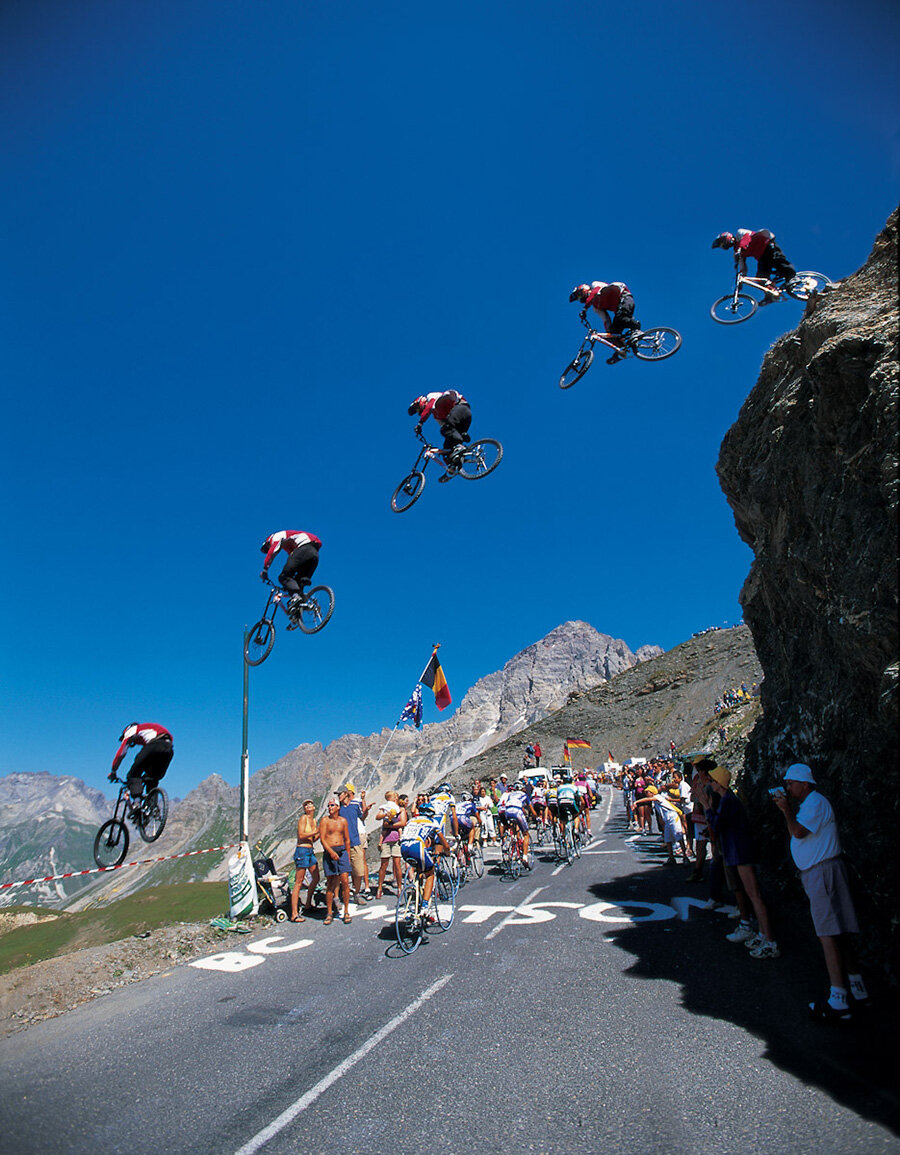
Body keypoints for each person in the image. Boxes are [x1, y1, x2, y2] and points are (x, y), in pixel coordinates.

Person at [772, 763, 871, 1021]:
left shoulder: (814, 803)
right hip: (824, 871)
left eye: (792, 783)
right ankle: (857, 989)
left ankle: (838, 999)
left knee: (828, 933)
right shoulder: (811, 805)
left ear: (806, 784)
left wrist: (785, 811)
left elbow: (797, 832)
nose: (789, 788)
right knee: (839, 932)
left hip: (822, 872)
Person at [700, 766, 780, 959]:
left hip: (740, 851)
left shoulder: (728, 802)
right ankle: (762, 934)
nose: (710, 784)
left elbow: (718, 824)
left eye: (712, 781)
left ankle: (769, 939)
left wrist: (707, 807)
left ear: (719, 783)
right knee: (751, 894)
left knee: (754, 895)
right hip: (737, 850)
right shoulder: (729, 800)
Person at [711, 229, 797, 299]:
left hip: (767, 245)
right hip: (762, 257)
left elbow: (747, 237)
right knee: (761, 278)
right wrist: (740, 278)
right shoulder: (737, 252)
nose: (723, 246)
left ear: (727, 238)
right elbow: (742, 267)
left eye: (722, 243)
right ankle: (770, 295)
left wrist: (741, 248)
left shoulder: (739, 233)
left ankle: (791, 278)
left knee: (778, 261)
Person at [399, 803, 452, 912]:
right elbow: (443, 842)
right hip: (416, 846)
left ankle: (417, 893)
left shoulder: (412, 820)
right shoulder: (433, 822)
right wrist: (447, 852)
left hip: (404, 847)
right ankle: (425, 906)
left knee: (420, 869)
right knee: (430, 872)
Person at [568, 281, 639, 363]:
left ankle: (636, 328)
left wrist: (585, 309)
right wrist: (610, 335)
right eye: (579, 297)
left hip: (624, 298)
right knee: (613, 333)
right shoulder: (596, 308)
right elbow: (606, 320)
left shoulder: (595, 285)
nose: (581, 298)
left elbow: (595, 292)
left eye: (580, 295)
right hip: (619, 310)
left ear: (584, 288)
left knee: (622, 318)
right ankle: (622, 351)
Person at [407, 390, 471, 481]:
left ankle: (459, 445)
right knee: (447, 448)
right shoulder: (437, 416)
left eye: (417, 408)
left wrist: (420, 424)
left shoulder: (431, 396)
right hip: (465, 418)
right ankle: (452, 467)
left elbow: (429, 407)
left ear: (421, 401)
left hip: (461, 408)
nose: (419, 411)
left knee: (446, 429)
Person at [259, 530, 322, 616]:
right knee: (297, 583)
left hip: (306, 549)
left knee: (284, 577)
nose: (268, 549)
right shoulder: (290, 544)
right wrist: (287, 586)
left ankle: (296, 598)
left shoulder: (276, 536)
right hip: (314, 556)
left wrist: (265, 570)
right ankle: (300, 611)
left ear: (268, 541)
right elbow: (293, 557)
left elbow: (272, 552)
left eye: (267, 547)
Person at [110, 723, 173, 800]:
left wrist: (113, 771)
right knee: (151, 778)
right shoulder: (149, 731)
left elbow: (121, 753)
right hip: (169, 749)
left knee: (133, 775)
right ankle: (152, 807)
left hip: (155, 745)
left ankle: (137, 802)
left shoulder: (132, 730)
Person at [319, 799, 352, 924]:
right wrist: (331, 852)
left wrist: (347, 855)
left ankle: (346, 911)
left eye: (332, 805)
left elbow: (347, 839)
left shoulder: (343, 821)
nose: (330, 807)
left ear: (338, 807)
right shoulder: (325, 820)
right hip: (329, 852)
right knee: (331, 882)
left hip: (342, 851)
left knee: (345, 881)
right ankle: (329, 913)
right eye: (328, 806)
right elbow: (322, 839)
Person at [337, 783, 372, 903]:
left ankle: (356, 893)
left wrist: (365, 808)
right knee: (343, 872)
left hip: (355, 842)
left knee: (358, 871)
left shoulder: (354, 806)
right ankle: (344, 895)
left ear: (346, 794)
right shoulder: (337, 809)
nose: (338, 797)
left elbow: (362, 817)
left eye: (340, 794)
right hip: (342, 845)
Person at [290, 799, 320, 922]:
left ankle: (308, 904)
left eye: (310, 804)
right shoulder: (303, 819)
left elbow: (313, 839)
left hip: (310, 850)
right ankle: (294, 914)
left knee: (316, 877)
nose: (308, 806)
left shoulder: (314, 820)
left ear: (314, 807)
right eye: (306, 805)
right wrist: (315, 831)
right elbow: (301, 835)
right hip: (301, 851)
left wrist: (320, 832)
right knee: (299, 881)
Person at [375, 790, 406, 899]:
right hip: (387, 839)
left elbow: (403, 823)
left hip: (395, 839)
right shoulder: (386, 808)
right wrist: (386, 815)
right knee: (384, 865)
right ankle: (379, 888)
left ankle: (399, 887)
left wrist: (388, 826)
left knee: (397, 864)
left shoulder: (401, 810)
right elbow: (378, 816)